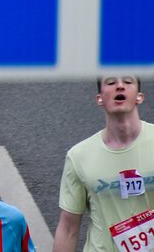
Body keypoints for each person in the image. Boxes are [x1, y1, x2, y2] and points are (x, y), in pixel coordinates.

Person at [54, 76, 154, 252]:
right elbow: (68, 228)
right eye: (111, 83)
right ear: (99, 98)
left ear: (139, 96)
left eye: (128, 82)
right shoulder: (79, 156)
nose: (120, 86)